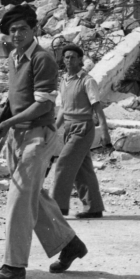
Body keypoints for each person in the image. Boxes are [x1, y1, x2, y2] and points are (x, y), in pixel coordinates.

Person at [0, 5, 88, 279]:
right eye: (12, 30)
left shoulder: (42, 59)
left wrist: (10, 122)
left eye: (23, 29)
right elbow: (16, 98)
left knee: (19, 199)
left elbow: (43, 104)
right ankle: (69, 244)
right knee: (32, 194)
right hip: (16, 136)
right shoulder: (14, 57)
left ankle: (14, 266)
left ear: (35, 30)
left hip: (38, 135)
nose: (17, 34)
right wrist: (4, 123)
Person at [50, 44, 110, 219]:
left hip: (83, 128)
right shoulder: (64, 80)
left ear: (80, 60)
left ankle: (57, 208)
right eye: (66, 57)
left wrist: (104, 132)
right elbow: (63, 108)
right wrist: (54, 130)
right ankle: (93, 208)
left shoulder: (87, 81)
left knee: (64, 163)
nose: (69, 60)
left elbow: (97, 108)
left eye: (73, 57)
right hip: (69, 128)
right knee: (83, 169)